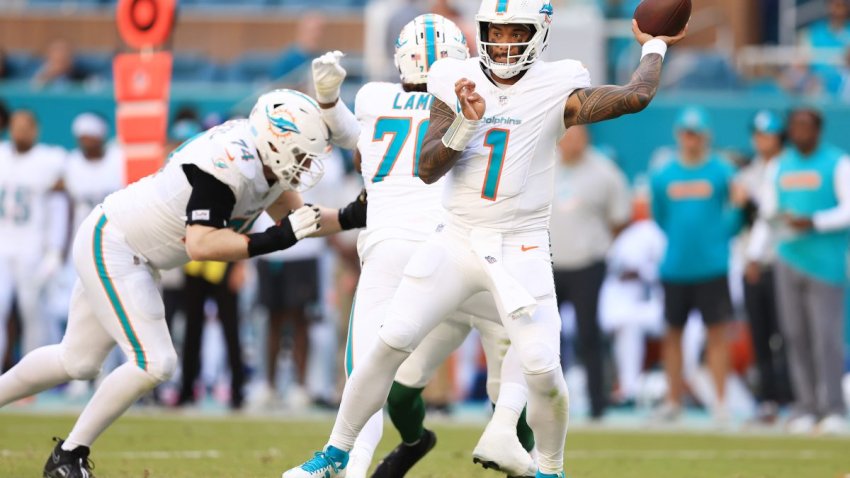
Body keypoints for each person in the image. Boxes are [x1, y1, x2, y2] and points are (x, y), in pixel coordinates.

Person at [284, 0, 686, 476]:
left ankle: (550, 468)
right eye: (495, 32)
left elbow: (635, 96)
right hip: (455, 240)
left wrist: (655, 45)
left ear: (538, 34)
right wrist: (464, 123)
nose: (504, 42)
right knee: (390, 340)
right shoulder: (453, 79)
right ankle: (333, 454)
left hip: (520, 245)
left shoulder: (557, 83)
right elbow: (427, 168)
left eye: (516, 32)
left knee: (542, 369)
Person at [0, 89, 368, 478]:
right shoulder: (228, 163)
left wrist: (351, 216)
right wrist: (278, 238)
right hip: (115, 244)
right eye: (301, 153)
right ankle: (69, 455)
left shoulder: (264, 158)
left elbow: (300, 218)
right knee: (154, 362)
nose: (307, 163)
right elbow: (202, 243)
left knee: (77, 360)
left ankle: (55, 444)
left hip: (134, 251)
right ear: (278, 141)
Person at [311, 14, 535, 478]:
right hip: (466, 255)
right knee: (526, 354)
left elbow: (361, 147)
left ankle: (346, 465)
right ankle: (534, 462)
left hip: (414, 257)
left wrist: (329, 102)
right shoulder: (482, 99)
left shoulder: (372, 97)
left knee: (370, 369)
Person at [748, 107, 850, 435]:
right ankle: (806, 406)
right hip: (788, 256)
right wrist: (754, 253)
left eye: (806, 126)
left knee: (826, 338)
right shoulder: (779, 165)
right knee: (794, 336)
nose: (800, 131)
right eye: (795, 126)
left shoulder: (838, 162)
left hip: (825, 262)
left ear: (818, 130)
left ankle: (833, 407)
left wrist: (815, 221)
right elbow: (769, 212)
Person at [649, 106, 747, 423]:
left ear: (706, 136)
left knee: (717, 336)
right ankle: (673, 400)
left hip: (713, 267)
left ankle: (721, 403)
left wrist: (720, 236)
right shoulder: (663, 174)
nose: (691, 140)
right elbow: (661, 217)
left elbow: (735, 214)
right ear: (679, 135)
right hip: (675, 267)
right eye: (686, 133)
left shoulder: (722, 171)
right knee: (672, 335)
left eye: (697, 134)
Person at [549, 124, 631, 420]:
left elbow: (619, 218)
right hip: (547, 263)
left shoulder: (605, 172)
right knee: (545, 336)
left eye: (579, 135)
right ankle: (545, 401)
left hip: (588, 264)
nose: (572, 141)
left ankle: (598, 402)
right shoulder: (543, 162)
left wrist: (597, 244)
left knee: (589, 333)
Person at [0, 110, 68, 368]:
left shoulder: (50, 160)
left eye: (25, 127)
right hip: (2, 244)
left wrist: (54, 250)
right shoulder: (2, 155)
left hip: (32, 246)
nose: (20, 132)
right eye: (16, 126)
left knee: (32, 311)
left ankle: (30, 374)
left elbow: (58, 208)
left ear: (36, 130)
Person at [739, 110, 793, 424]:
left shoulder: (788, 168)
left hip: (784, 259)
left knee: (788, 334)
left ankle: (795, 398)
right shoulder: (748, 172)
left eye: (768, 134)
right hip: (755, 263)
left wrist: (752, 198)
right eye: (758, 135)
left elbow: (775, 213)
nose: (762, 141)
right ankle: (769, 400)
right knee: (760, 334)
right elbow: (744, 220)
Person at [598, 192, 666, 407]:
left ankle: (675, 391)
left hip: (667, 304)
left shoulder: (655, 232)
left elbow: (663, 268)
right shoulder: (624, 238)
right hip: (635, 307)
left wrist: (643, 271)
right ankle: (629, 390)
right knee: (627, 324)